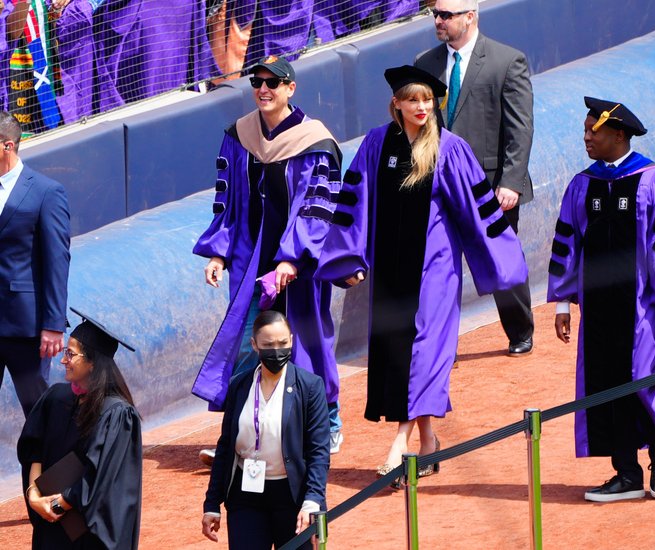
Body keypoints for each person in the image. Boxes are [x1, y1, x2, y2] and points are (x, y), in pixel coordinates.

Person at [316, 65, 527, 482]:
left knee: (425, 352)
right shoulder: (377, 144)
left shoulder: (449, 148)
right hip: (390, 271)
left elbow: (476, 209)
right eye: (413, 99)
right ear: (396, 103)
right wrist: (348, 259)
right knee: (398, 352)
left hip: (434, 271)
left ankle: (399, 446)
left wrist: (501, 260)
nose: (421, 107)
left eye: (428, 100)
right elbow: (354, 203)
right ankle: (429, 444)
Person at [547, 98, 655, 502]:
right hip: (598, 309)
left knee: (640, 381)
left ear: (618, 135)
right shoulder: (582, 184)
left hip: (643, 309)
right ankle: (626, 473)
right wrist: (563, 302)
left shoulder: (654, 179)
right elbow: (569, 243)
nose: (585, 138)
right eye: (584, 131)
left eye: (592, 132)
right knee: (604, 384)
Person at [192, 55, 345, 458]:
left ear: (290, 89)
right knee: (247, 346)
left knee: (308, 346)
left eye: (272, 83)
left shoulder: (314, 141)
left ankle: (327, 424)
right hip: (251, 261)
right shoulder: (239, 135)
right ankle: (240, 438)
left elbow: (317, 208)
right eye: (257, 82)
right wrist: (219, 255)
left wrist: (291, 258)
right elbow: (227, 200)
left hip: (301, 266)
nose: (263, 89)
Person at [415, 0, 535, 356]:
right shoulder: (426, 64)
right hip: (439, 186)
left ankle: (520, 330)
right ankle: (439, 344)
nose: (439, 21)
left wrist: (510, 182)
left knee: (500, 261)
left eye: (446, 15)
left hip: (491, 187)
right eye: (435, 14)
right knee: (438, 266)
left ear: (470, 17)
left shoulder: (506, 61)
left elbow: (520, 129)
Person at [201, 310, 328, 550]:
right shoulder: (239, 385)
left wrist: (312, 500)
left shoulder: (310, 387)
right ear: (255, 345)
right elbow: (226, 445)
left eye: (283, 343)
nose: (277, 350)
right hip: (245, 496)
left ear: (291, 340)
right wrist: (211, 503)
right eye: (268, 345)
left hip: (293, 498)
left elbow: (318, 451)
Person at [17, 308, 142, 549]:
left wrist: (56, 505)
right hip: (52, 524)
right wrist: (34, 497)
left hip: (88, 531)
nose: (63, 360)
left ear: (92, 363)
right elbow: (34, 449)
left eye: (71, 354)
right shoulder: (55, 398)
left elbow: (102, 478)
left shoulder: (116, 414)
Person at [0, 111, 70, 417]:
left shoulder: (45, 192)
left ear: (7, 146)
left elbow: (57, 260)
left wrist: (53, 325)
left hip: (25, 327)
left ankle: (43, 467)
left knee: (38, 410)